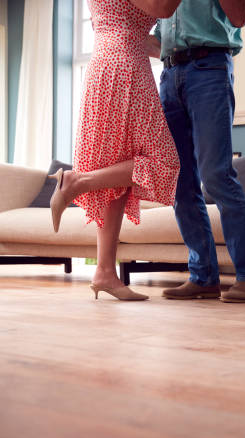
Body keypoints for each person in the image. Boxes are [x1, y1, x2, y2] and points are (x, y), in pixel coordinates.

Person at [50, 0, 181, 301]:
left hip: (111, 65)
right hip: (124, 68)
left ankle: (105, 273)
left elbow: (130, 30)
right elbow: (163, 7)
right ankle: (76, 182)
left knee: (117, 172)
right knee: (165, 162)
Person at [146, 0, 245, 303]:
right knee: (179, 182)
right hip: (169, 75)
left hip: (209, 69)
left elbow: (240, 16)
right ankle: (202, 276)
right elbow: (159, 42)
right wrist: (116, 33)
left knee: (216, 175)